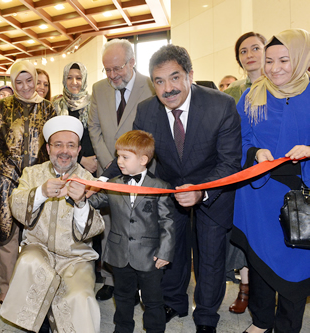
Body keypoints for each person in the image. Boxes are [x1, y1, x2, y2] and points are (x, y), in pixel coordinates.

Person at [104, 44, 241, 333]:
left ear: (190, 75)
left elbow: (230, 163)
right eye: (159, 81)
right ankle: (174, 302)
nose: (168, 88)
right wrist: (100, 182)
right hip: (169, 191)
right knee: (170, 252)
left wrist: (202, 191)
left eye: (175, 78)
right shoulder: (146, 111)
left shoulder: (221, 105)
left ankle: (205, 316)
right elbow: (132, 153)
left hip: (211, 189)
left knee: (211, 257)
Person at [232, 28, 310, 333]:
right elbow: (236, 138)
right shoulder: (253, 96)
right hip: (259, 194)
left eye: (284, 60)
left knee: (298, 263)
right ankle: (261, 321)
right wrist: (254, 151)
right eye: (269, 60)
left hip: (302, 195)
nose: (274, 68)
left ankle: (288, 325)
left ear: (302, 59)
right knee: (259, 260)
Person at [0, 115, 104, 333]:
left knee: (81, 298)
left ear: (78, 150)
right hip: (40, 250)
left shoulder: (89, 181)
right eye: (58, 145)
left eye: (70, 145)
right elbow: (15, 204)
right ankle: (38, 325)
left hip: (76, 258)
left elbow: (96, 228)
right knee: (29, 262)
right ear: (48, 148)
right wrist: (40, 192)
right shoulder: (33, 173)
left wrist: (81, 202)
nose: (64, 151)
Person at [0, 60, 55, 309]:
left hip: (39, 180)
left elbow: (56, 144)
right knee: (8, 234)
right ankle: (7, 288)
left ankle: (38, 286)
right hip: (6, 179)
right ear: (12, 83)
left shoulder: (48, 109)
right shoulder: (2, 107)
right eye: (18, 82)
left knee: (38, 234)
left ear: (36, 80)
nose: (24, 87)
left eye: (29, 81)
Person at [88, 38, 155, 301]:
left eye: (118, 68)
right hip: (108, 167)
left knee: (139, 226)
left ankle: (140, 279)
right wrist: (110, 161)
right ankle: (110, 279)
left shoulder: (150, 85)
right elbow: (93, 127)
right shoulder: (98, 88)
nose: (112, 75)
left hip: (140, 169)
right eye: (107, 70)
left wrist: (132, 161)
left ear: (132, 62)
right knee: (108, 224)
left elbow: (153, 130)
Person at [89, 130, 175, 333]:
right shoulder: (113, 184)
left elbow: (168, 222)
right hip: (120, 253)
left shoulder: (159, 187)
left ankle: (155, 329)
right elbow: (95, 201)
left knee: (153, 300)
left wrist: (165, 253)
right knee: (122, 297)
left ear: (143, 159)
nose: (119, 161)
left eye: (125, 157)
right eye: (118, 155)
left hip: (150, 256)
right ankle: (122, 329)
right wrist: (80, 195)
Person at [223, 31, 267, 315]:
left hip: (273, 170)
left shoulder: (280, 86)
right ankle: (245, 288)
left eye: (255, 48)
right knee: (245, 233)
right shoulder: (234, 92)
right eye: (243, 51)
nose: (249, 54)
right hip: (242, 170)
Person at [53, 62, 97, 175]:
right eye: (69, 78)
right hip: (63, 165)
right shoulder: (56, 106)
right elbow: (53, 140)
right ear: (64, 80)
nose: (74, 82)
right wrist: (81, 159)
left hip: (91, 168)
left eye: (79, 78)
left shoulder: (94, 103)